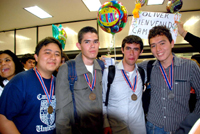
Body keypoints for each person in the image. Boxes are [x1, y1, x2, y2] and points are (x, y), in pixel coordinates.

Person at [138, 25, 200, 133]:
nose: (158, 49)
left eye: (162, 43)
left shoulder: (190, 66)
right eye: (153, 45)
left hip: (182, 127)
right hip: (154, 127)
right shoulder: (148, 67)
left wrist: (193, 121)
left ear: (172, 43)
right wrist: (108, 64)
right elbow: (128, 67)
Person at [0, 37, 62, 134]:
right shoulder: (20, 81)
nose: (53, 57)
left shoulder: (59, 83)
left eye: (57, 54)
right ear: (36, 57)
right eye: (47, 52)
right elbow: (3, 119)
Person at [56, 26, 103, 134]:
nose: (92, 46)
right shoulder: (68, 69)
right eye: (87, 42)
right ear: (79, 45)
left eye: (95, 42)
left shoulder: (101, 67)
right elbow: (62, 112)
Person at [103, 35, 146, 134]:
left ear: (141, 52)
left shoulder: (142, 73)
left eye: (136, 49)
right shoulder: (109, 72)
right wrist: (105, 124)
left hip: (138, 129)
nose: (131, 53)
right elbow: (102, 100)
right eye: (128, 48)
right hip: (116, 128)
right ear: (122, 50)